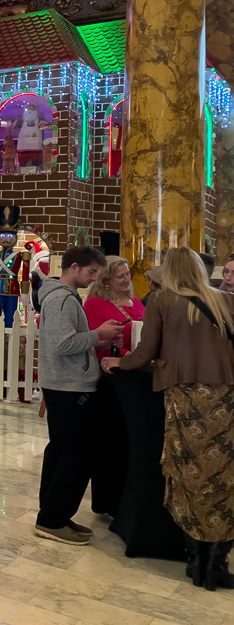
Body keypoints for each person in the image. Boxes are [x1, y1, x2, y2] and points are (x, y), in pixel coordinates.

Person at [108, 247, 234, 591]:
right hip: (225, 397)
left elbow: (146, 352)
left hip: (184, 396)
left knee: (189, 473)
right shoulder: (226, 299)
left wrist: (121, 363)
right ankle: (217, 562)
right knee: (222, 476)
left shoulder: (162, 301)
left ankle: (195, 560)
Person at [34, 246, 124, 545]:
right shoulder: (61, 298)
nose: (93, 278)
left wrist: (99, 338)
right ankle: (53, 519)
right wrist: (99, 334)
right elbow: (63, 344)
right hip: (68, 385)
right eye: (91, 272)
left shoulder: (61, 296)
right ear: (74, 267)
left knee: (61, 449)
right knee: (78, 453)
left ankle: (52, 513)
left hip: (63, 382)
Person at [82, 255, 142, 517]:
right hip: (110, 380)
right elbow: (92, 341)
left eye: (127, 274)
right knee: (110, 442)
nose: (127, 279)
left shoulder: (137, 303)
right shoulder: (96, 304)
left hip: (137, 378)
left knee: (130, 443)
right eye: (121, 276)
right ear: (106, 280)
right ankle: (107, 501)